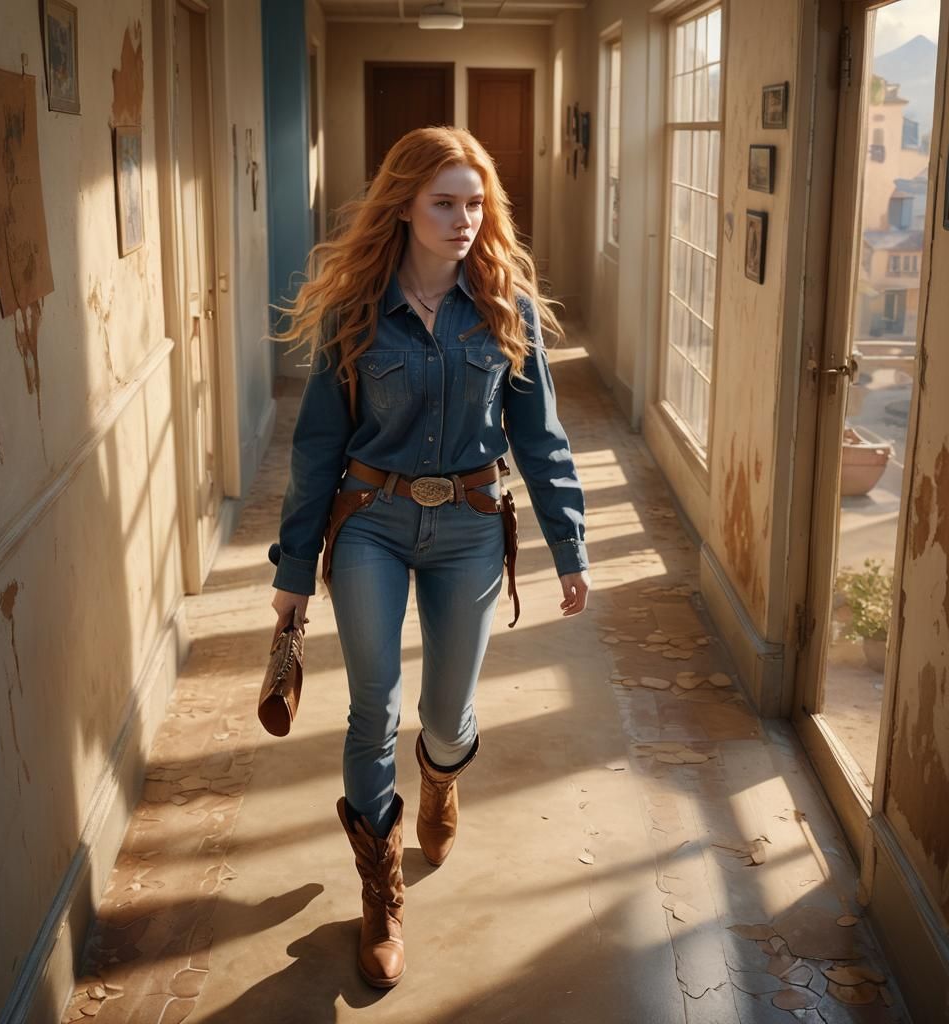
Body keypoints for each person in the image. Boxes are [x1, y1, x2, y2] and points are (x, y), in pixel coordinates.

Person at [267, 126, 590, 989]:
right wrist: (293, 573)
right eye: (444, 203)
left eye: (475, 203)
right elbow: (316, 448)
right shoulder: (355, 311)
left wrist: (569, 545)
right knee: (372, 706)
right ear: (404, 206)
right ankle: (381, 892)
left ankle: (441, 777)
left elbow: (541, 437)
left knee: (446, 716)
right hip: (370, 521)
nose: (463, 220)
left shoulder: (505, 307)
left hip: (471, 527)